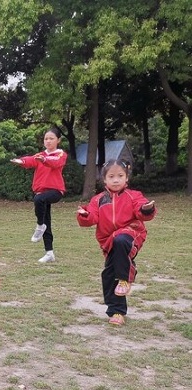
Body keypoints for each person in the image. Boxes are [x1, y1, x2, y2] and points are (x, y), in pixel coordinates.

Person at [76, 159, 156, 326]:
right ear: (104, 180)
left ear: (126, 178)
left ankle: (126, 277)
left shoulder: (134, 196)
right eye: (111, 176)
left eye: (120, 175)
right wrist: (84, 215)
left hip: (131, 234)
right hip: (108, 241)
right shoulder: (98, 200)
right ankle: (117, 312)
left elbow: (142, 210)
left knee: (121, 241)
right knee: (108, 275)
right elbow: (91, 218)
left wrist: (146, 209)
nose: (116, 179)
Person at [11, 127, 67, 263]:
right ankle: (49, 253)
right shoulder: (40, 155)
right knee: (47, 220)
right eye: (46, 139)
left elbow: (56, 163)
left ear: (58, 140)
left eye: (51, 138)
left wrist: (45, 160)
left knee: (38, 200)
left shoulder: (60, 154)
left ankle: (40, 225)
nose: (48, 141)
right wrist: (21, 161)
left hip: (55, 191)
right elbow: (31, 160)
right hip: (41, 192)